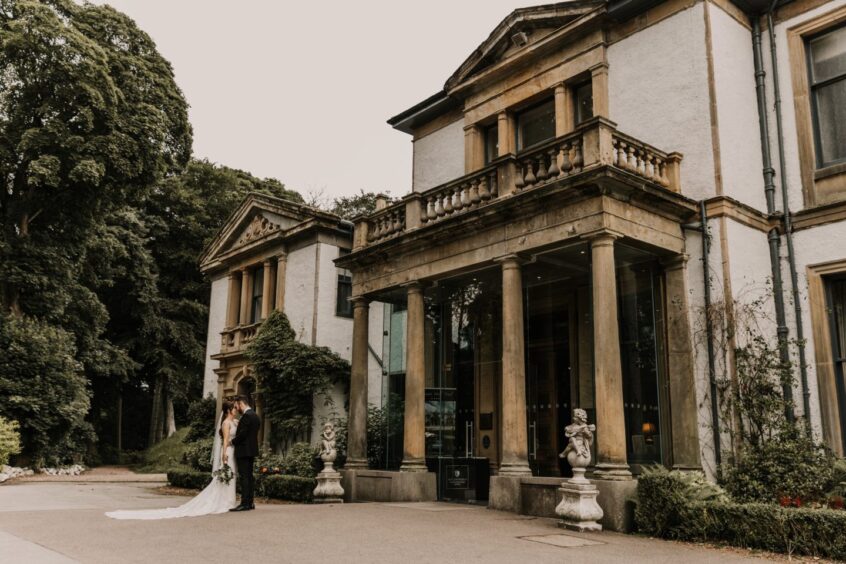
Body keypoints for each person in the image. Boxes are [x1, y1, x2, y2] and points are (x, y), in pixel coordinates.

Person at [105, 401, 238, 520]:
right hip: (227, 452)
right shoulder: (226, 423)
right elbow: (225, 440)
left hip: (232, 451)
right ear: (228, 410)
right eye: (233, 408)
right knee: (226, 476)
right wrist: (224, 454)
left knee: (230, 476)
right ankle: (224, 501)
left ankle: (228, 500)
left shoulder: (233, 422)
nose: (236, 409)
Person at [229, 395, 260, 512]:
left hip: (243, 450)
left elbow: (242, 435)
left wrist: (231, 441)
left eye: (237, 405)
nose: (237, 408)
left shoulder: (246, 416)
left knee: (244, 477)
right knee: (249, 477)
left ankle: (245, 503)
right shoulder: (255, 415)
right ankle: (250, 502)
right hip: (251, 450)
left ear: (241, 403)